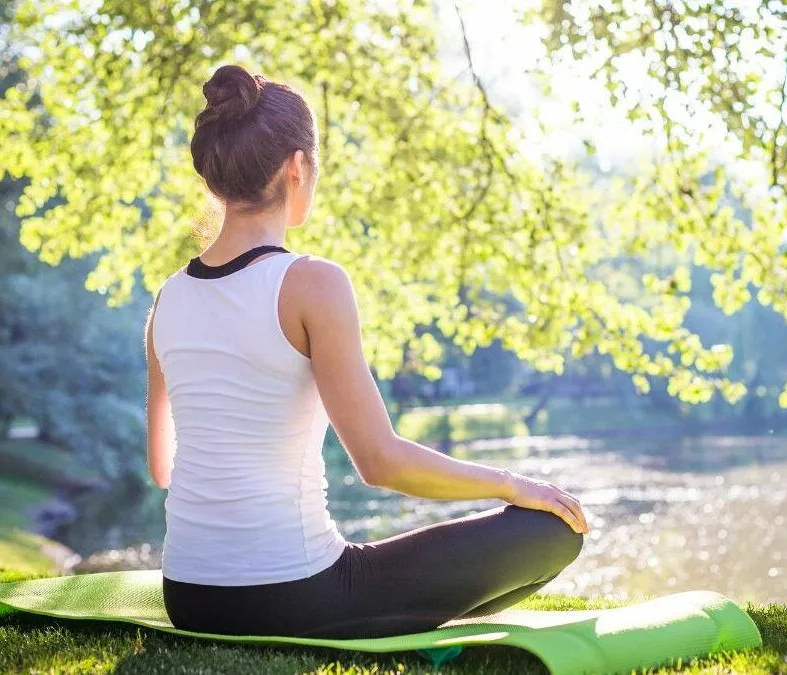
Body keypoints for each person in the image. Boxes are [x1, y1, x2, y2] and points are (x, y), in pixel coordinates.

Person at [144, 64, 588, 640]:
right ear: (297, 167)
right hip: (296, 595)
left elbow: (163, 467)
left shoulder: (168, 298)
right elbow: (381, 463)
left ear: (216, 177)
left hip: (188, 594)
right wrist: (513, 484)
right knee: (552, 531)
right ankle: (395, 620)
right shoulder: (312, 283)